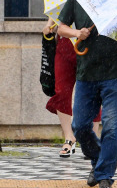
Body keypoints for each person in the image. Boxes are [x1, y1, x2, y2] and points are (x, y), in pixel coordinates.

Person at [57, 0, 117, 188]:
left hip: (115, 74)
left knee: (111, 128)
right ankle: (98, 160)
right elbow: (61, 28)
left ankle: (105, 177)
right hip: (86, 74)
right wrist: (77, 32)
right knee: (79, 126)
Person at [42, 18, 101, 158]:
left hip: (89, 46)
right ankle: (69, 137)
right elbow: (58, 11)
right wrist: (49, 25)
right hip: (64, 46)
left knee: (93, 92)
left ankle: (92, 140)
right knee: (61, 91)